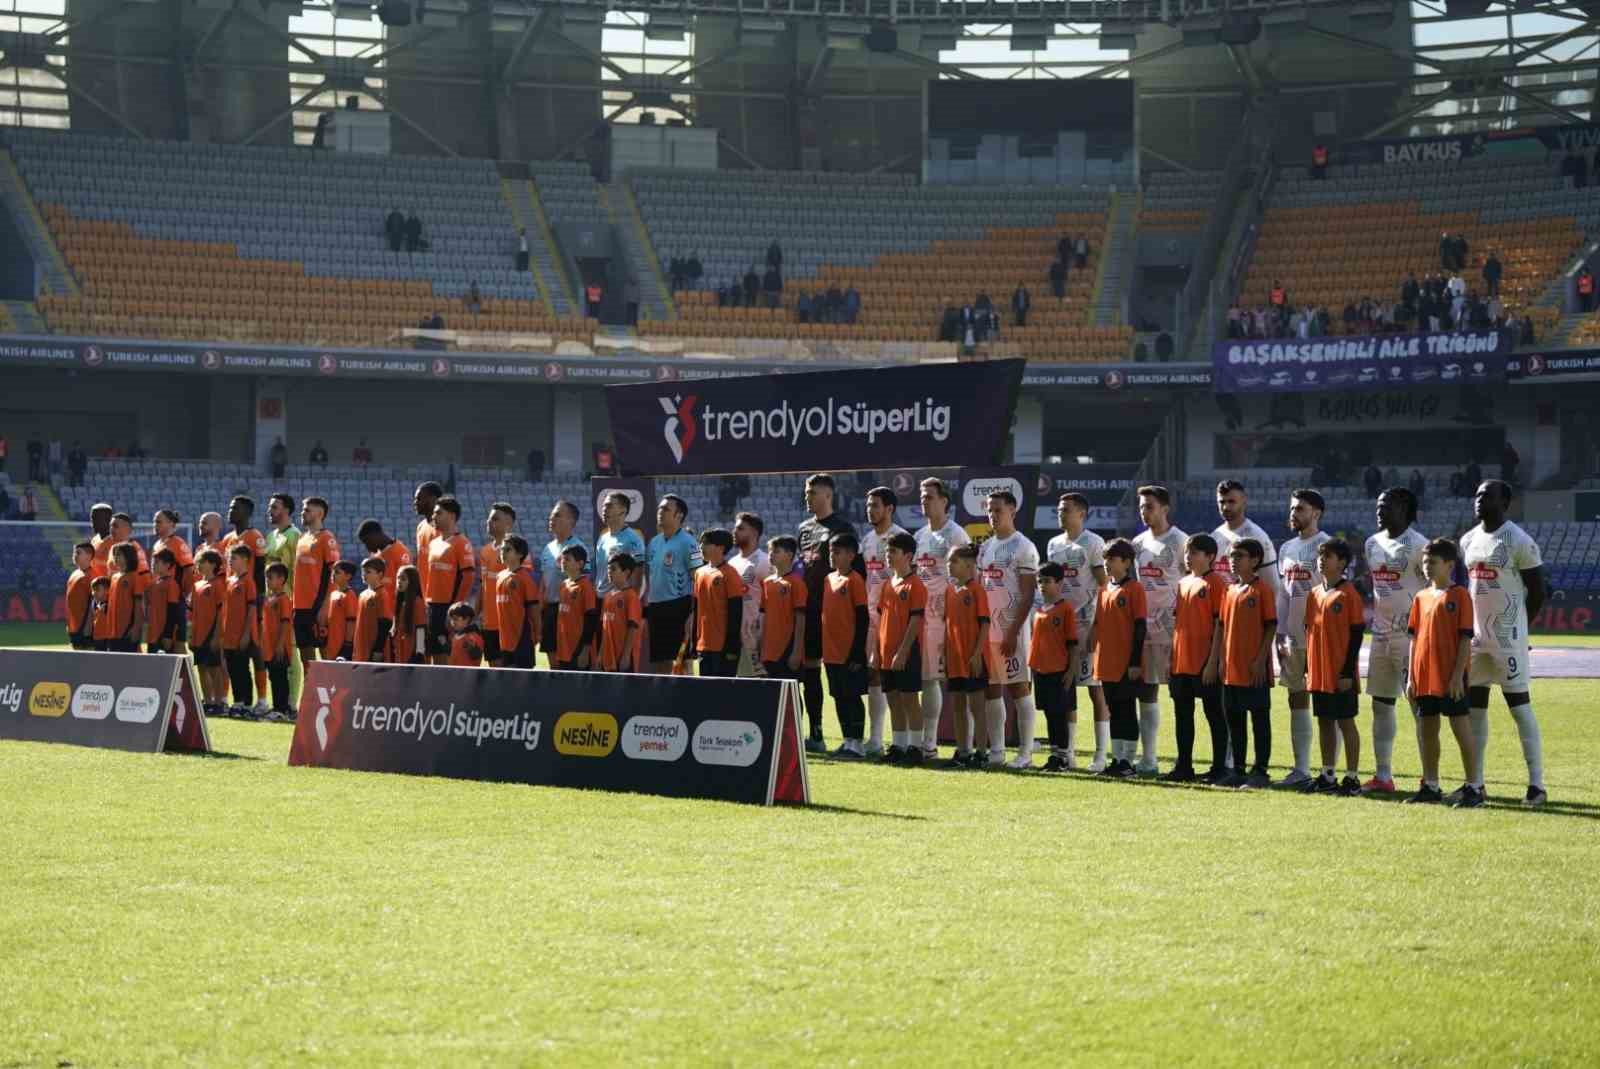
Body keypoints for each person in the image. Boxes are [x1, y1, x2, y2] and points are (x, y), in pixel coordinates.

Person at [1459, 479, 1548, 806]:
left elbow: (1538, 591)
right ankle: (1476, 784)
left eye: (1488, 495)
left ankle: (1537, 785)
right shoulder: (1467, 540)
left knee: (1520, 708)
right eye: (1478, 494)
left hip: (1507, 640)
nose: (1480, 500)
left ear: (1505, 502)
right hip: (1477, 639)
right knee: (1475, 710)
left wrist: (1520, 629)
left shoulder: (1519, 540)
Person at [1404, 538, 1482, 807]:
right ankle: (1431, 785)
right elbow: (1414, 639)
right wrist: (1411, 677)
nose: (1427, 566)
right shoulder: (1420, 597)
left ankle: (1474, 786)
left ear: (1449, 565)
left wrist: (1457, 675)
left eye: (1433, 562)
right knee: (1427, 730)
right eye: (1425, 562)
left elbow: (1464, 639)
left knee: (1461, 728)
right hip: (1424, 678)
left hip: (1450, 677)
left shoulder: (1459, 595)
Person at [797, 473, 861, 751]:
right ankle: (817, 732)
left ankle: (856, 739)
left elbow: (854, 573)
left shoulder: (842, 527)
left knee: (841, 674)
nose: (807, 497)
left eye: (812, 492)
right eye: (806, 492)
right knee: (810, 672)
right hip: (808, 611)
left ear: (827, 495)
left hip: (835, 612)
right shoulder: (804, 528)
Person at [978, 490, 1040, 769]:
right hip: (988, 631)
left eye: (998, 510)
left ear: (1012, 511)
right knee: (992, 690)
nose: (992, 515)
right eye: (989, 510)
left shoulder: (1023, 547)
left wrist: (1014, 631)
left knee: (1019, 689)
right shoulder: (986, 547)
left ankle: (1025, 753)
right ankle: (997, 751)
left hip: (1012, 630)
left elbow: (1028, 595)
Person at [1046, 492, 1109, 770]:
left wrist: (1098, 625)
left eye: (1066, 509)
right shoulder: (1053, 544)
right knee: (1066, 689)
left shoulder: (1093, 543)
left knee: (1096, 690)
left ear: (1081, 514)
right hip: (1062, 629)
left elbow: (1105, 587)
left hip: (1088, 625)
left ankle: (1100, 754)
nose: (1061, 513)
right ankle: (1068, 753)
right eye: (1059, 509)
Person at [911, 478, 971, 761]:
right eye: (922, 497)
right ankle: (927, 743)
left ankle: (951, 746)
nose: (925, 501)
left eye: (930, 497)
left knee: (942, 680)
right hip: (924, 616)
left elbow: (967, 578)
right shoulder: (920, 535)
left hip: (947, 617)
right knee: (927, 678)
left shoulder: (955, 534)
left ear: (944, 501)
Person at [1277, 489, 1332, 790]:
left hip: (1320, 637)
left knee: (1325, 703)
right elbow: (1284, 595)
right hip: (1292, 636)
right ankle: (1300, 769)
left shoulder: (1326, 546)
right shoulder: (1286, 548)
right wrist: (1280, 633)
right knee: (1296, 697)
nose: (1294, 513)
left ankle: (1329, 771)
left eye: (1300, 509)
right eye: (1292, 509)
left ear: (1316, 513)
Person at [1131, 485, 1188, 776]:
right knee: (1146, 691)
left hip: (1175, 628)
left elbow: (1191, 585)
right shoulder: (1137, 543)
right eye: (1141, 506)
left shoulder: (1181, 542)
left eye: (1149, 506)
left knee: (1183, 694)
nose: (1144, 511)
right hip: (1145, 629)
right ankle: (1149, 758)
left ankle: (1187, 759)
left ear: (1165, 508)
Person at [1165, 533, 1229, 782]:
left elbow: (1219, 625)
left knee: (1214, 715)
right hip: (1182, 662)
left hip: (1205, 662)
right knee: (1182, 716)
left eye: (1193, 553)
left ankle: (1219, 768)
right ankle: (1184, 766)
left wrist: (1213, 662)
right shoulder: (1183, 583)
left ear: (1210, 556)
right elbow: (1179, 624)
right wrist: (1172, 659)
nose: (1188, 557)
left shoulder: (1216, 583)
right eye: (1186, 552)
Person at [1304, 539, 1365, 795]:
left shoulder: (1349, 594)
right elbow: (1309, 632)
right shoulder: (1314, 593)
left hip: (1340, 673)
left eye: (1327, 556)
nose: (1321, 560)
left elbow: (1357, 635)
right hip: (1319, 672)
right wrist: (1309, 666)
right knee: (1325, 722)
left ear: (1342, 563)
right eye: (1320, 555)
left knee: (1346, 722)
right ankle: (1328, 774)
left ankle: (1352, 777)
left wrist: (1346, 672)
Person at [1219, 538, 1277, 789]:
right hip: (1231, 668)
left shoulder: (1262, 590)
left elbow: (1270, 625)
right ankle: (1239, 769)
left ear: (1255, 560)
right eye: (1231, 556)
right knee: (1235, 720)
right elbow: (1222, 627)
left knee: (1259, 719)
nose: (1233, 560)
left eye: (1239, 556)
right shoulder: (1229, 590)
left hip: (1254, 667)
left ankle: (1261, 770)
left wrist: (1261, 658)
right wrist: (1220, 660)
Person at [860, 487, 909, 755]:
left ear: (889, 508)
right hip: (871, 617)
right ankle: (876, 739)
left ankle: (910, 740)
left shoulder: (901, 538)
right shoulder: (867, 540)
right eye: (869, 505)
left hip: (894, 616)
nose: (871, 510)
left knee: (900, 679)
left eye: (876, 505)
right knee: (874, 675)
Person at [870, 532, 927, 763]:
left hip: (906, 651)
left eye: (893, 551)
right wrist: (876, 650)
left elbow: (915, 621)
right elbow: (880, 621)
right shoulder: (886, 585)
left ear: (908, 556)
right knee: (893, 699)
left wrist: (903, 652)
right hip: (885, 652)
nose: (888, 555)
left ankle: (916, 748)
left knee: (910, 699)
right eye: (887, 551)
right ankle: (898, 746)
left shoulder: (916, 585)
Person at [1093, 540, 1146, 778]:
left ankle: (1129, 761)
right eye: (1105, 559)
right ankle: (1116, 759)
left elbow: (1140, 627)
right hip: (1106, 661)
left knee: (1127, 710)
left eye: (1112, 559)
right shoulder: (1104, 590)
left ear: (1126, 562)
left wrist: (1135, 662)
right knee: (1113, 710)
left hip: (1126, 663)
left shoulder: (1135, 589)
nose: (1107, 564)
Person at [821, 532, 870, 758]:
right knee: (839, 696)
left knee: (852, 696)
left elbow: (862, 619)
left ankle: (858, 743)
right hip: (830, 652)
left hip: (848, 652)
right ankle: (847, 740)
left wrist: (857, 653)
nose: (833, 555)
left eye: (837, 552)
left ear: (851, 555)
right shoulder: (829, 579)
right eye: (831, 551)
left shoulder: (855, 580)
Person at [1028, 562, 1079, 773]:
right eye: (1040, 581)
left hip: (1059, 671)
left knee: (1060, 714)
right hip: (1041, 671)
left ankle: (1064, 757)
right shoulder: (1039, 610)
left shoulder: (1065, 609)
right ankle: (1054, 753)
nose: (1042, 585)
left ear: (1059, 583)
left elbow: (1073, 644)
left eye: (1047, 581)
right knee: (1049, 714)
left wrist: (1071, 671)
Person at [644, 494, 700, 675]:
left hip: (679, 606)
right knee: (659, 661)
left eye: (666, 509)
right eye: (660, 508)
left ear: (679, 516)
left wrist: (693, 613)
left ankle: (682, 700)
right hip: (656, 607)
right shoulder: (653, 542)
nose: (660, 512)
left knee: (681, 662)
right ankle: (661, 699)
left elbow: (699, 578)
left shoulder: (690, 543)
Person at [424, 496, 475, 666]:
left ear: (452, 516)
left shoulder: (462, 543)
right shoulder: (433, 543)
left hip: (448, 607)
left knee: (449, 654)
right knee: (432, 652)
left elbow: (468, 577)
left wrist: (454, 609)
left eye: (438, 513)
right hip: (432, 607)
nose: (433, 517)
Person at [689, 529, 744, 678]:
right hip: (703, 645)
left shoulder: (730, 574)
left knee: (723, 695)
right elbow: (697, 609)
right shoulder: (699, 573)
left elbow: (736, 613)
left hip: (723, 648)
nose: (701, 547)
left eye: (706, 543)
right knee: (705, 694)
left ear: (720, 548)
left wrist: (732, 646)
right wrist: (694, 641)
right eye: (700, 543)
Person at [293, 497, 339, 671]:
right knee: (305, 655)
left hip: (317, 605)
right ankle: (312, 695)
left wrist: (325, 606)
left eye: (307, 510)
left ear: (320, 513)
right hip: (300, 606)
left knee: (325, 654)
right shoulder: (303, 538)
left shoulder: (327, 539)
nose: (302, 513)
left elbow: (334, 574)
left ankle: (334, 694)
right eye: (303, 510)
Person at [728, 513, 770, 679]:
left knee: (758, 687)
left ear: (754, 533)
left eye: (740, 528)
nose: (734, 531)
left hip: (755, 639)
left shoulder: (765, 562)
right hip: (735, 638)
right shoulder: (732, 563)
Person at [759, 537, 806, 682]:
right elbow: (763, 615)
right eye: (770, 551)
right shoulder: (767, 582)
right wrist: (760, 644)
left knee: (790, 695)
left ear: (790, 555)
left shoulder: (796, 583)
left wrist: (797, 651)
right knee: (772, 695)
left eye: (776, 551)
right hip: (768, 650)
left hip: (787, 648)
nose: (771, 555)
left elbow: (801, 618)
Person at [221, 545, 258, 717]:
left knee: (243, 669)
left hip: (241, 635)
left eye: (233, 558)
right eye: (229, 558)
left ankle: (247, 704)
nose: (230, 561)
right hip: (228, 634)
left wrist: (246, 634)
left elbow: (251, 609)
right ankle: (237, 702)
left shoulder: (248, 581)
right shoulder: (229, 581)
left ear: (245, 560)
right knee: (232, 669)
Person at [475, 503, 513, 665]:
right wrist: (476, 613)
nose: (489, 522)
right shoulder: (484, 551)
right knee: (493, 669)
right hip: (488, 622)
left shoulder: (516, 551)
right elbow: (483, 585)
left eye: (495, 519)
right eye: (489, 519)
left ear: (508, 524)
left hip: (508, 622)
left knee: (509, 672)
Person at [495, 535, 540, 669]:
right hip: (504, 638)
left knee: (522, 681)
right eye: (502, 549)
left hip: (522, 637)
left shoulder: (525, 578)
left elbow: (534, 608)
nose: (502, 552)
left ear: (520, 554)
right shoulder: (500, 575)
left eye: (507, 549)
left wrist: (538, 633)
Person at [356, 518, 412, 621]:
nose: (367, 547)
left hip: (394, 617)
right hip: (377, 615)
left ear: (375, 535)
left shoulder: (400, 553)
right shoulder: (375, 556)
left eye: (367, 541)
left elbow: (407, 589)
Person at [189, 550, 224, 711]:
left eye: (202, 561)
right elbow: (192, 614)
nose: (199, 564)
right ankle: (208, 701)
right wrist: (191, 635)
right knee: (202, 668)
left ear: (213, 564)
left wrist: (217, 636)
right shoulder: (196, 586)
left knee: (214, 668)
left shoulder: (218, 585)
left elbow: (220, 612)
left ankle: (219, 702)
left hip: (211, 634)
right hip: (198, 635)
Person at [554, 546, 598, 671]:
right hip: (563, 649)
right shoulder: (563, 585)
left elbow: (591, 620)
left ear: (580, 564)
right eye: (562, 559)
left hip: (578, 649)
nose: (563, 562)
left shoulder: (586, 587)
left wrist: (585, 650)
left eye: (567, 559)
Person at [595, 493, 646, 598]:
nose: (604, 509)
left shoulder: (634, 539)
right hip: (601, 599)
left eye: (609, 506)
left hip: (619, 601)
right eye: (603, 506)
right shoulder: (602, 538)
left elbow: (638, 574)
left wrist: (632, 603)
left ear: (623, 510)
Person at [599, 554, 644, 673]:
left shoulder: (631, 596)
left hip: (623, 658)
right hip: (608, 657)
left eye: (613, 569)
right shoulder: (607, 596)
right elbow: (604, 629)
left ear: (626, 572)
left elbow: (632, 628)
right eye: (608, 568)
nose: (609, 572)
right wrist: (600, 654)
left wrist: (626, 655)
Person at [262, 563, 295, 718]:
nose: (267, 581)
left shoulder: (283, 599)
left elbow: (285, 622)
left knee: (280, 677)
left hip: (279, 646)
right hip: (268, 646)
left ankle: (282, 709)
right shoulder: (269, 598)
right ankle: (277, 707)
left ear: (281, 579)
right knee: (274, 677)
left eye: (270, 577)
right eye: (266, 577)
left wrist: (281, 644)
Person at [353, 558, 393, 664]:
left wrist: (378, 649)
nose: (364, 574)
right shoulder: (363, 594)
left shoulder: (381, 595)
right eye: (363, 571)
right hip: (362, 648)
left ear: (380, 574)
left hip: (374, 651)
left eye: (368, 572)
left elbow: (385, 623)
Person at [321, 561, 359, 663]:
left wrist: (348, 644)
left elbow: (351, 622)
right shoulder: (333, 594)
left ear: (348, 576)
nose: (333, 575)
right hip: (331, 645)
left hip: (342, 646)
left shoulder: (350, 595)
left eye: (337, 572)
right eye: (333, 571)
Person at [391, 565, 428, 665]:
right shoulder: (400, 601)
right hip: (400, 653)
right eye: (398, 578)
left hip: (411, 654)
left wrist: (419, 653)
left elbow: (420, 629)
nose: (399, 581)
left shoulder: (417, 602)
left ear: (412, 582)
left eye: (403, 579)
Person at [145, 549, 179, 656]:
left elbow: (173, 611)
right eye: (152, 562)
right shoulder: (153, 584)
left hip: (163, 636)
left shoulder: (171, 584)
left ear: (167, 565)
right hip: (152, 635)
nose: (152, 565)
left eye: (156, 562)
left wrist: (168, 635)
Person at [65, 542, 95, 650]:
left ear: (89, 555)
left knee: (88, 661)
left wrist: (89, 626)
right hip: (74, 627)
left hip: (84, 628)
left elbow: (93, 604)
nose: (74, 555)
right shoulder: (74, 574)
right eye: (74, 552)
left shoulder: (92, 576)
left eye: (78, 553)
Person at [413, 481, 442, 568]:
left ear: (432, 499)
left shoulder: (443, 528)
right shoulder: (421, 527)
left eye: (419, 499)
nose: (415, 502)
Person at [447, 603, 484, 667]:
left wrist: (471, 648)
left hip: (468, 674)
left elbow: (476, 656)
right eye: (451, 619)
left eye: (455, 619)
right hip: (455, 673)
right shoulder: (456, 635)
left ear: (467, 619)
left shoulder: (473, 636)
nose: (452, 622)